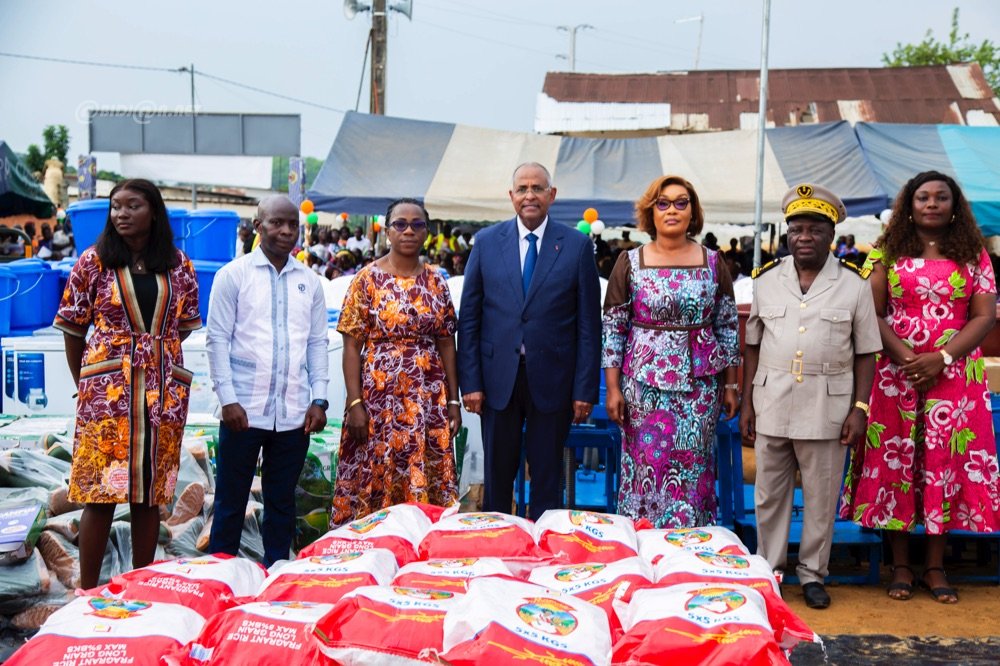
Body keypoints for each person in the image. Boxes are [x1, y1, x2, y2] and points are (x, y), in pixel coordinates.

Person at [840, 171, 1000, 604]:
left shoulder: (973, 253)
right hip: (897, 373)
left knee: (943, 461)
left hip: (956, 374)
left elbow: (984, 315)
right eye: (923, 197)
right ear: (908, 206)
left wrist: (942, 358)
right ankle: (900, 564)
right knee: (897, 460)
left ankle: (934, 565)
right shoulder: (885, 251)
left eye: (941, 197)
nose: (931, 204)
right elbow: (870, 311)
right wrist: (909, 359)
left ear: (954, 205)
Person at [53, 178, 201, 588]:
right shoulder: (93, 262)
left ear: (153, 212)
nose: (121, 213)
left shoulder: (178, 264)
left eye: (132, 206)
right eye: (116, 206)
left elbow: (183, 326)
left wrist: (152, 350)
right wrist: (87, 382)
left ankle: (139, 584)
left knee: (149, 494)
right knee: (100, 492)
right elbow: (72, 330)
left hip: (162, 394)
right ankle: (87, 588)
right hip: (107, 395)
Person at [740, 183, 880, 610]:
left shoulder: (854, 284)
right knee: (769, 494)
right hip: (772, 400)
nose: (804, 237)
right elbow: (752, 345)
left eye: (815, 229)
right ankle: (771, 570)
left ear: (831, 235)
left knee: (820, 496)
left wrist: (860, 408)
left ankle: (813, 574)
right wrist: (746, 404)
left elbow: (866, 351)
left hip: (828, 405)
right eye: (796, 229)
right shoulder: (766, 281)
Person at [458, 162, 601, 519]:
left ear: (552, 195)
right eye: (522, 189)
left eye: (538, 188)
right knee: (497, 479)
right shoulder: (487, 242)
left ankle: (543, 545)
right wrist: (470, 382)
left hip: (554, 379)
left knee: (547, 481)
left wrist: (584, 389)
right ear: (511, 196)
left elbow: (588, 325)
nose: (529, 195)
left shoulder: (577, 246)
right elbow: (470, 318)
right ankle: (498, 543)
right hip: (497, 380)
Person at [602, 175, 740, 528]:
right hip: (642, 388)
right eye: (663, 203)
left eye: (681, 202)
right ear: (651, 212)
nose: (672, 210)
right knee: (645, 467)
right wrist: (613, 388)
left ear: (693, 211)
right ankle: (643, 542)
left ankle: (691, 546)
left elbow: (727, 327)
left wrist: (730, 386)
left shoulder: (714, 262)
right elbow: (614, 330)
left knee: (694, 468)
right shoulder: (629, 262)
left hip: (700, 389)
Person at [206, 195, 329, 567]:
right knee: (231, 500)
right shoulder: (234, 275)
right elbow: (217, 340)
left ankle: (276, 572)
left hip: (293, 412)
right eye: (277, 223)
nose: (287, 231)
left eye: (293, 224)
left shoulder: (309, 281)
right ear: (258, 226)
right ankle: (222, 574)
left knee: (282, 501)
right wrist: (227, 399)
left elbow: (317, 342)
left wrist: (319, 398)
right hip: (243, 409)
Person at [331, 198, 461, 525]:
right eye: (400, 224)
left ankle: (420, 542)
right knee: (374, 471)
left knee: (425, 471)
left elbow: (447, 343)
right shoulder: (366, 280)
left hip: (427, 398)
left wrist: (453, 401)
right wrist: (354, 402)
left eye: (417, 225)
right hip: (377, 398)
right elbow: (351, 347)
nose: (408, 231)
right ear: (387, 231)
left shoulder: (437, 282)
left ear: (426, 233)